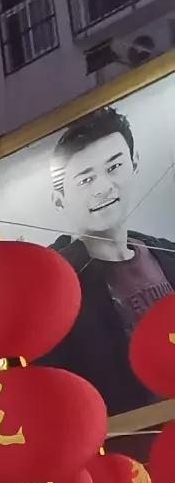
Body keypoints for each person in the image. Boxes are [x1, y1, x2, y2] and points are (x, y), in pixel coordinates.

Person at [46, 104, 175, 422]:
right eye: (86, 180)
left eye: (114, 167)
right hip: (128, 453)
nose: (104, 187)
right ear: (60, 198)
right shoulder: (56, 289)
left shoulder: (169, 255)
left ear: (134, 165)